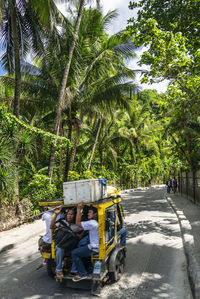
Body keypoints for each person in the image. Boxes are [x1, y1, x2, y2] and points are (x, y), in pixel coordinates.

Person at [50, 208, 83, 278]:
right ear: (66, 215)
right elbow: (51, 226)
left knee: (77, 251)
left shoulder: (77, 226)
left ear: (75, 216)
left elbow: (81, 235)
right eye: (68, 214)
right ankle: (58, 270)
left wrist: (82, 233)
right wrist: (55, 215)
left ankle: (73, 271)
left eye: (72, 214)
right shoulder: (61, 222)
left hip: (70, 246)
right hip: (60, 244)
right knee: (59, 249)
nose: (70, 216)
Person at [71, 203, 99, 282]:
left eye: (90, 212)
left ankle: (82, 273)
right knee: (82, 243)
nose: (88, 213)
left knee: (74, 253)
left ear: (95, 214)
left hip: (94, 248)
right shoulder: (99, 220)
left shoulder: (92, 223)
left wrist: (79, 209)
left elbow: (77, 223)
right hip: (98, 245)